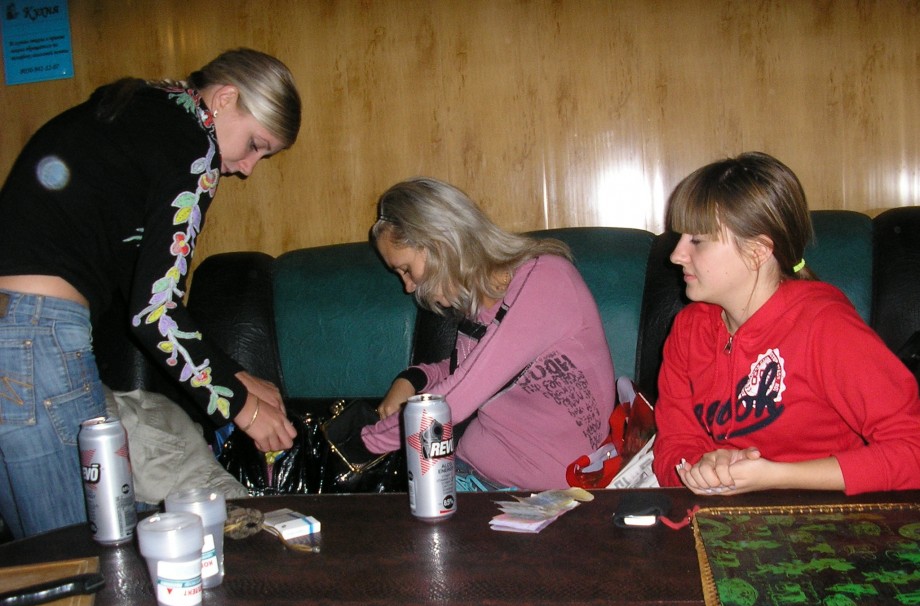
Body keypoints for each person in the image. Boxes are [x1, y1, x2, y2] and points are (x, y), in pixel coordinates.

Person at [0, 48, 300, 538]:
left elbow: (136, 284)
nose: (246, 167)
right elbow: (154, 313)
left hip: (16, 337)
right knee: (80, 557)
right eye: (255, 145)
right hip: (36, 338)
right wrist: (239, 407)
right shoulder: (193, 145)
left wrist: (235, 373)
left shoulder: (142, 109)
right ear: (224, 99)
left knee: (30, 562)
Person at [652, 151, 920, 495]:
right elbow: (673, 444)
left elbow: (912, 451)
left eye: (698, 240)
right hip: (727, 524)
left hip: (828, 524)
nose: (676, 254)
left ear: (759, 251)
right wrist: (703, 467)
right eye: (680, 237)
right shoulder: (688, 329)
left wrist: (776, 476)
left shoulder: (825, 327)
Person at [360, 177, 615, 491]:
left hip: (544, 496)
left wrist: (365, 443)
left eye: (406, 269)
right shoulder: (482, 303)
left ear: (439, 245)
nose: (408, 287)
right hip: (469, 473)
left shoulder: (547, 281)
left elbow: (462, 393)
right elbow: (461, 369)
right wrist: (412, 379)